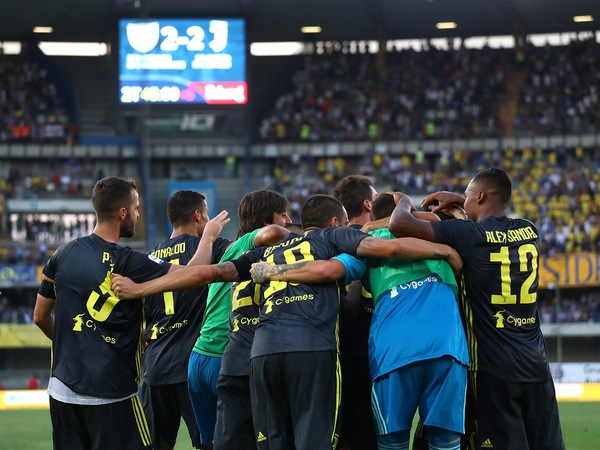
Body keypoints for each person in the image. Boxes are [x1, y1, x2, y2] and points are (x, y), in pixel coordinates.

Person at [111, 194, 462, 450]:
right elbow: (389, 249)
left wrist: (141, 288)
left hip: (261, 355)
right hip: (312, 351)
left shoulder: (265, 251)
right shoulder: (332, 240)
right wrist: (442, 250)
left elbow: (206, 273)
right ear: (333, 223)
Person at [249, 192, 469, 450]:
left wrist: (273, 272)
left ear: (373, 216)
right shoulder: (438, 235)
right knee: (446, 442)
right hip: (447, 346)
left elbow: (328, 271)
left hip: (393, 352)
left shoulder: (366, 243)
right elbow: (464, 224)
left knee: (392, 443)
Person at [32, 176, 228, 450]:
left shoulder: (62, 255)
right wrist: (208, 238)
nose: (137, 214)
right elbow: (195, 275)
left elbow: (40, 316)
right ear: (122, 212)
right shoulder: (129, 261)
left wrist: (75, 344)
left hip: (61, 391)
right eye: (135, 208)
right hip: (112, 391)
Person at [388, 168, 566, 450]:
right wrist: (460, 199)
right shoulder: (528, 229)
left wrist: (404, 200)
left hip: (494, 367)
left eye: (470, 196)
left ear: (481, 196)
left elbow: (399, 225)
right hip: (537, 364)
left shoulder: (468, 234)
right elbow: (492, 215)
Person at [186, 189, 291, 448]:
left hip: (199, 359)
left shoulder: (229, 253)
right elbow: (274, 233)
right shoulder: (248, 243)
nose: (288, 220)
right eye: (283, 215)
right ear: (266, 220)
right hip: (225, 358)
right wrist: (310, 239)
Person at [141, 190, 232, 450]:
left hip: (154, 368)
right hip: (194, 366)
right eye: (206, 215)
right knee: (211, 444)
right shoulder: (214, 246)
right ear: (197, 215)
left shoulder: (149, 258)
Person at [331, 174, 378, 450]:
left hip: (341, 352)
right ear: (367, 204)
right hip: (366, 353)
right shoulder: (374, 238)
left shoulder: (330, 241)